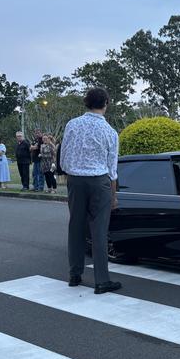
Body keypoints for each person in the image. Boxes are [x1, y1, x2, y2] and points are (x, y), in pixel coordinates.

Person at [60, 87, 121, 295]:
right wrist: (113, 196)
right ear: (106, 103)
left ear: (86, 102)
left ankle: (74, 274)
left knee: (75, 227)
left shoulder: (72, 125)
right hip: (99, 182)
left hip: (76, 180)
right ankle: (101, 280)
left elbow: (64, 157)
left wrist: (72, 174)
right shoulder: (110, 132)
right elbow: (112, 169)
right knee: (99, 230)